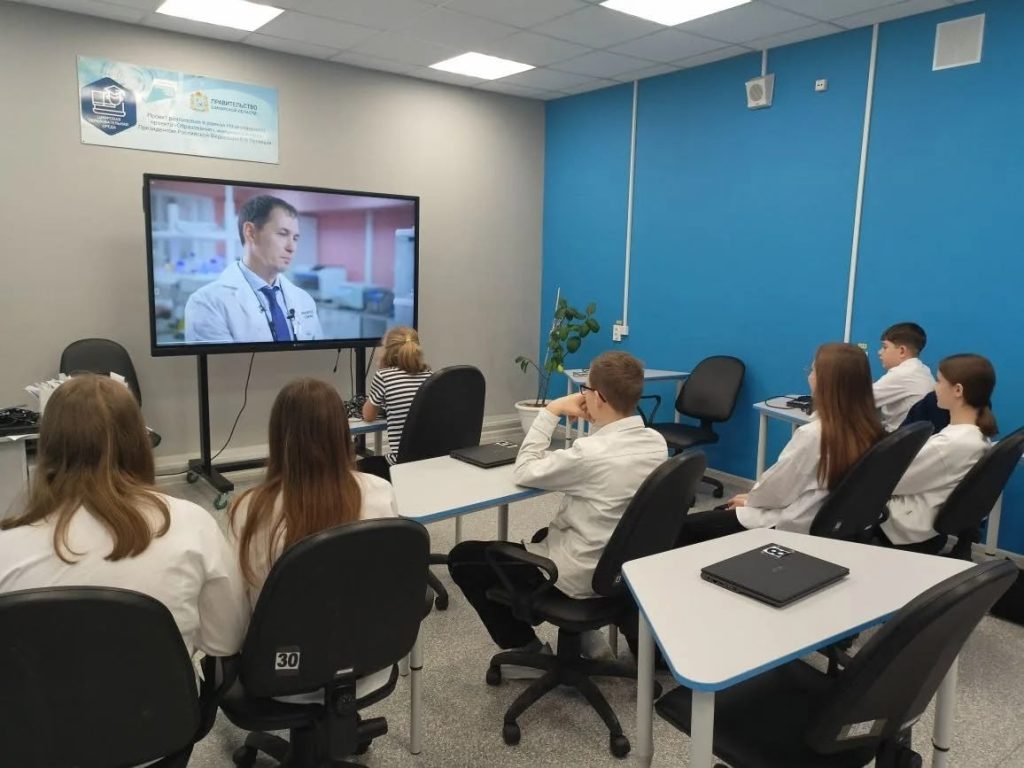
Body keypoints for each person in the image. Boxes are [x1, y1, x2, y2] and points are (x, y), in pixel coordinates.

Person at [0, 375, 246, 661]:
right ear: (139, 441)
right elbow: (225, 641)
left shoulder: (7, 547)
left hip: (39, 690)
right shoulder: (193, 524)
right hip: (161, 690)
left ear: (47, 447)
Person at [448, 351, 668, 661]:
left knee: (463, 558)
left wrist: (551, 411)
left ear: (599, 397)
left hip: (579, 577)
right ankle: (585, 638)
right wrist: (597, 415)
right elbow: (608, 454)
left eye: (586, 391)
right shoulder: (656, 442)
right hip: (623, 569)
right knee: (543, 534)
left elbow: (525, 470)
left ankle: (527, 650)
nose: (583, 396)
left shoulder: (588, 454)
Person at [228, 378, 397, 696]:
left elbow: (233, 626)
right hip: (367, 666)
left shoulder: (249, 509)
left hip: (280, 676)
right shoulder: (380, 491)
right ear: (342, 433)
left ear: (278, 436)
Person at [677, 343, 885, 545]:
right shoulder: (870, 428)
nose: (809, 376)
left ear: (825, 381)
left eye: (813, 370)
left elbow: (777, 490)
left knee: (682, 528)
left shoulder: (814, 435)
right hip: (827, 523)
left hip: (789, 524)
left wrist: (750, 501)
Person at [880, 354, 997, 548]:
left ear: (958, 390)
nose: (934, 388)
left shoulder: (950, 444)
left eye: (939, 381)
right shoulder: (977, 435)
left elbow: (888, 483)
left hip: (901, 529)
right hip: (925, 525)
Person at [184, 195, 323, 343]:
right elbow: (222, 360)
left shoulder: (303, 299)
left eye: (295, 238)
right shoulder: (207, 303)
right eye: (282, 234)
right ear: (251, 232)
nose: (292, 247)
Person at [359, 326, 433, 480]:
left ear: (386, 352)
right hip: (430, 462)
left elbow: (368, 416)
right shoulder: (431, 377)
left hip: (399, 465)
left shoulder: (383, 376)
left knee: (350, 470)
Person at [874, 322, 935, 431]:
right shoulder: (921, 369)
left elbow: (859, 400)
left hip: (896, 436)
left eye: (885, 347)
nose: (879, 352)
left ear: (902, 351)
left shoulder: (902, 374)